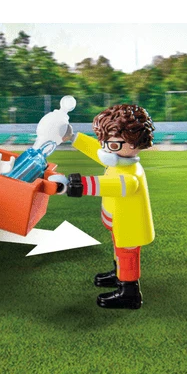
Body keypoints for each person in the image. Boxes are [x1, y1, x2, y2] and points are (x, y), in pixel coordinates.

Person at [55, 104, 155, 309]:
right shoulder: (118, 159)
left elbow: (109, 185)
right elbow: (97, 151)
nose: (107, 149)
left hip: (130, 227)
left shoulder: (130, 175)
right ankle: (119, 275)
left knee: (127, 255)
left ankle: (129, 291)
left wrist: (77, 184)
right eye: (105, 142)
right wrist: (73, 137)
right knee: (119, 250)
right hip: (119, 223)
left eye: (113, 144)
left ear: (134, 143)